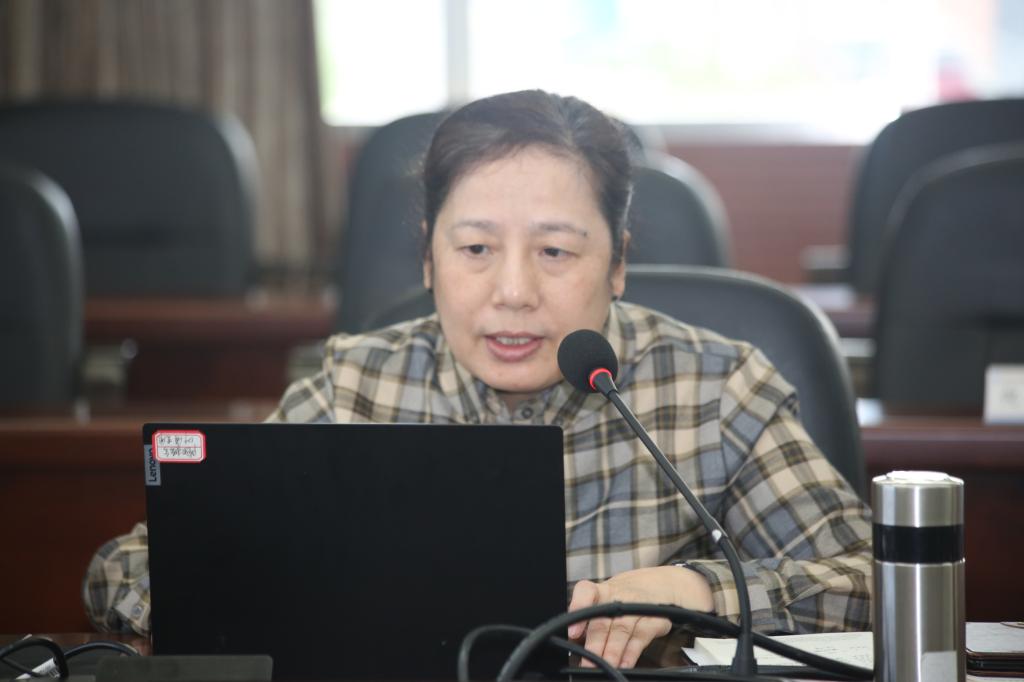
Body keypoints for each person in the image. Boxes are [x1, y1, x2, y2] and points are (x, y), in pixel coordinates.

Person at [84, 89, 872, 669]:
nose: (514, 291)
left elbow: (871, 578)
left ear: (619, 263)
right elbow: (126, 568)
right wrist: (276, 595)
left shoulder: (717, 388)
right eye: (475, 250)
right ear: (429, 258)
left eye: (555, 251)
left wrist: (696, 592)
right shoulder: (357, 387)